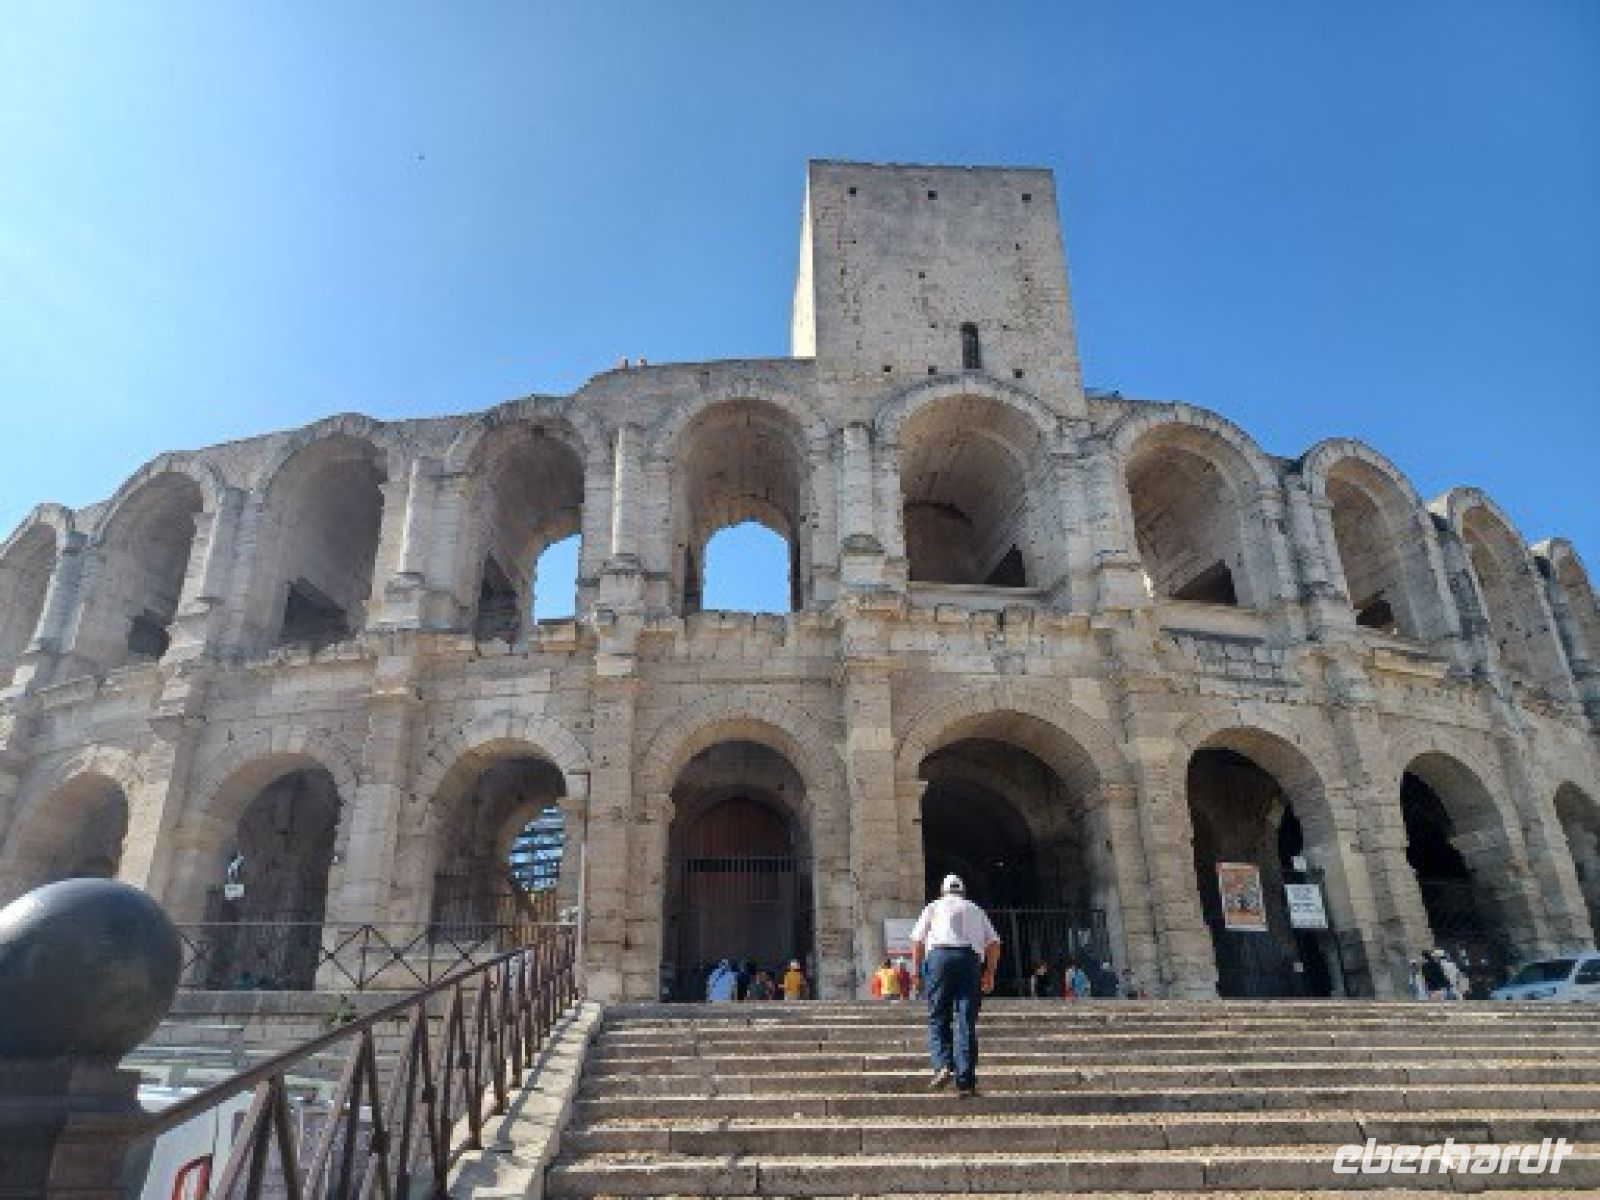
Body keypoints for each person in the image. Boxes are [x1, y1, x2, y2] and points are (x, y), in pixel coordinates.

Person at [910, 873, 1001, 1098]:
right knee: (965, 1019)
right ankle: (966, 1081)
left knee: (938, 1014)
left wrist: (916, 971)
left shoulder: (934, 906)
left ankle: (942, 1066)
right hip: (969, 960)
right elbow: (994, 943)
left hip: (939, 958)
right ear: (963, 891)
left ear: (943, 891)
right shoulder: (975, 909)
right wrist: (989, 973)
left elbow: (917, 940)